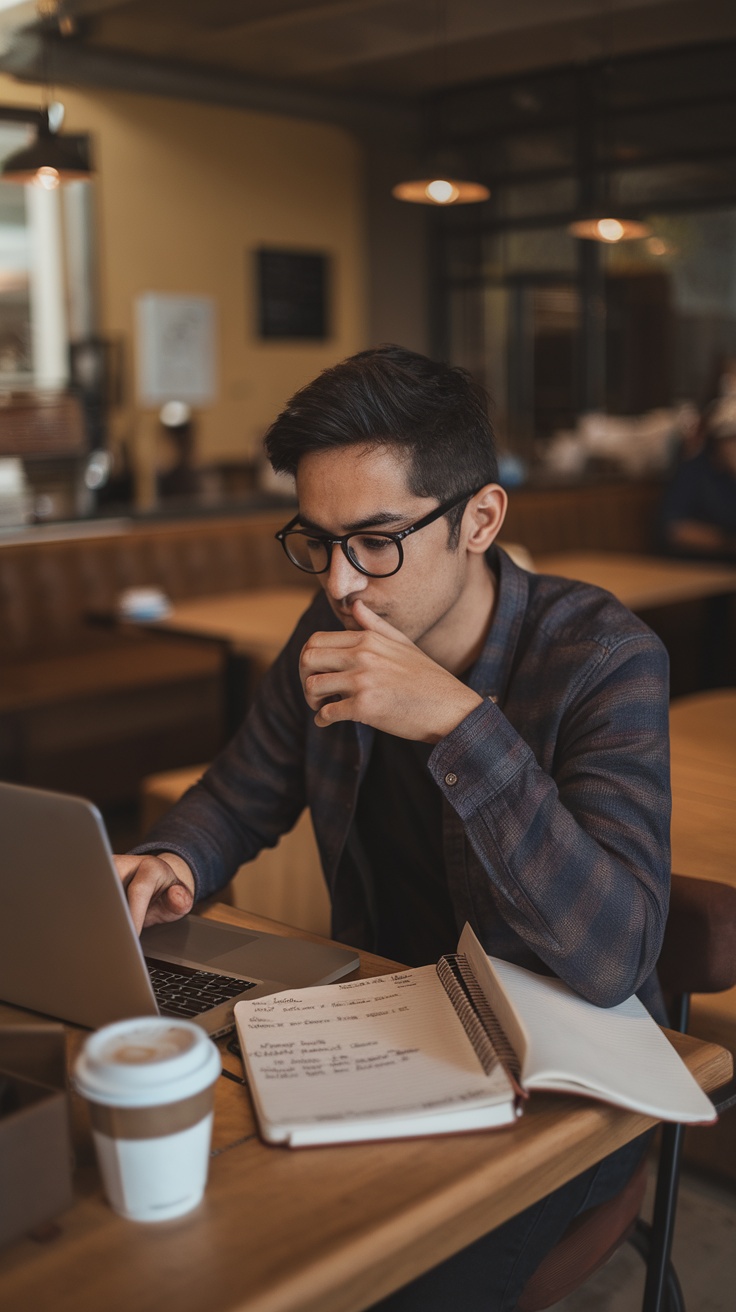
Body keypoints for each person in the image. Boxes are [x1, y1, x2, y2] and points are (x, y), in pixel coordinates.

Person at [115, 346, 670, 1310]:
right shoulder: (327, 634)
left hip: (564, 1083)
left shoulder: (605, 657)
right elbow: (243, 793)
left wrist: (460, 722)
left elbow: (612, 952)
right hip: (387, 1031)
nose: (339, 583)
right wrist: (172, 856)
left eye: (375, 539)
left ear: (480, 520)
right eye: (316, 541)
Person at [660, 395, 736, 562]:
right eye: (732, 439)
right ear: (716, 442)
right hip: (703, 565)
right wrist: (726, 542)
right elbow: (675, 530)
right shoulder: (694, 471)